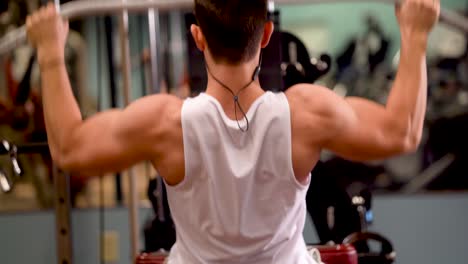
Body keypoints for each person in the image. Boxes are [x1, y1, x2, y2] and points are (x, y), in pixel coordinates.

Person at [26, 0, 439, 263]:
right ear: (267, 34)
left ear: (197, 37)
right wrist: (415, 36)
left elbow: (70, 149)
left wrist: (49, 56)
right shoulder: (307, 113)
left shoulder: (164, 123)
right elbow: (400, 133)